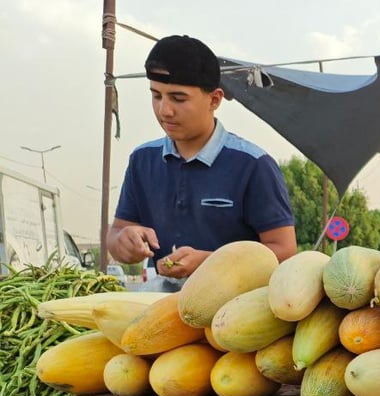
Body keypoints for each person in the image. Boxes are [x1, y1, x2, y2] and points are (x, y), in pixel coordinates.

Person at [107, 34, 296, 290]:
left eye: (178, 98)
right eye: (156, 96)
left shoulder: (253, 165)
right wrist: (124, 242)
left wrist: (211, 262)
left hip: (234, 310)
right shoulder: (142, 160)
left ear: (214, 100)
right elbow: (117, 233)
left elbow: (284, 250)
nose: (165, 110)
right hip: (160, 306)